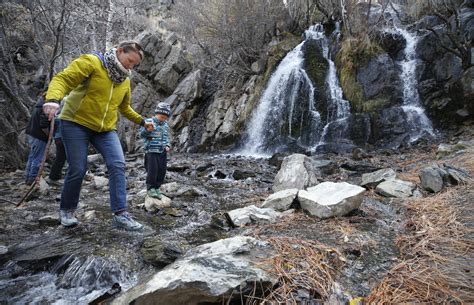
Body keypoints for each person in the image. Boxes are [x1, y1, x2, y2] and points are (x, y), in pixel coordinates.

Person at [44, 41, 153, 230]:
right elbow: (63, 79)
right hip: (75, 123)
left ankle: (121, 215)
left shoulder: (125, 80)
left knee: (117, 164)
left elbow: (124, 107)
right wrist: (53, 100)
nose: (131, 66)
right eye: (130, 60)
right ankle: (67, 210)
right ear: (119, 51)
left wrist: (143, 122)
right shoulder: (92, 62)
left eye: (134, 65)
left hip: (105, 130)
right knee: (78, 168)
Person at [140, 102, 171, 200]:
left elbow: (166, 137)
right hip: (151, 151)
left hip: (162, 151)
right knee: (152, 170)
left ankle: (157, 187)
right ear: (156, 114)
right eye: (162, 117)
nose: (164, 119)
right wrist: (147, 130)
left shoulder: (165, 125)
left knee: (162, 170)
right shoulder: (148, 121)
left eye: (166, 118)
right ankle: (150, 188)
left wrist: (167, 145)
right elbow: (142, 134)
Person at [24, 91, 50, 185]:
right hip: (39, 136)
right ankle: (33, 179)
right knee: (38, 158)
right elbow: (44, 125)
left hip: (32, 134)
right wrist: (49, 136)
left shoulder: (38, 106)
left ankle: (28, 177)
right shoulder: (45, 108)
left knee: (32, 156)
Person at [47, 118, 67, 186]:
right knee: (61, 158)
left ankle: (55, 175)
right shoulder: (64, 119)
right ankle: (54, 176)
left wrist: (54, 135)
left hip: (57, 138)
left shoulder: (56, 119)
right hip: (64, 138)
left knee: (60, 158)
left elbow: (51, 128)